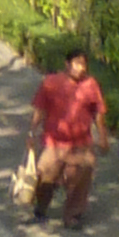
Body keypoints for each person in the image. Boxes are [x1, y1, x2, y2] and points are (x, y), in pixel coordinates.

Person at [27, 49, 103, 227]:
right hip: (54, 142)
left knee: (80, 179)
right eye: (77, 63)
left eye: (84, 64)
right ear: (67, 64)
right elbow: (39, 109)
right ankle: (41, 209)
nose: (81, 68)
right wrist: (31, 131)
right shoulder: (51, 83)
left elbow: (98, 113)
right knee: (45, 174)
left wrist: (103, 136)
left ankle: (73, 215)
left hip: (81, 144)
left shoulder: (91, 85)